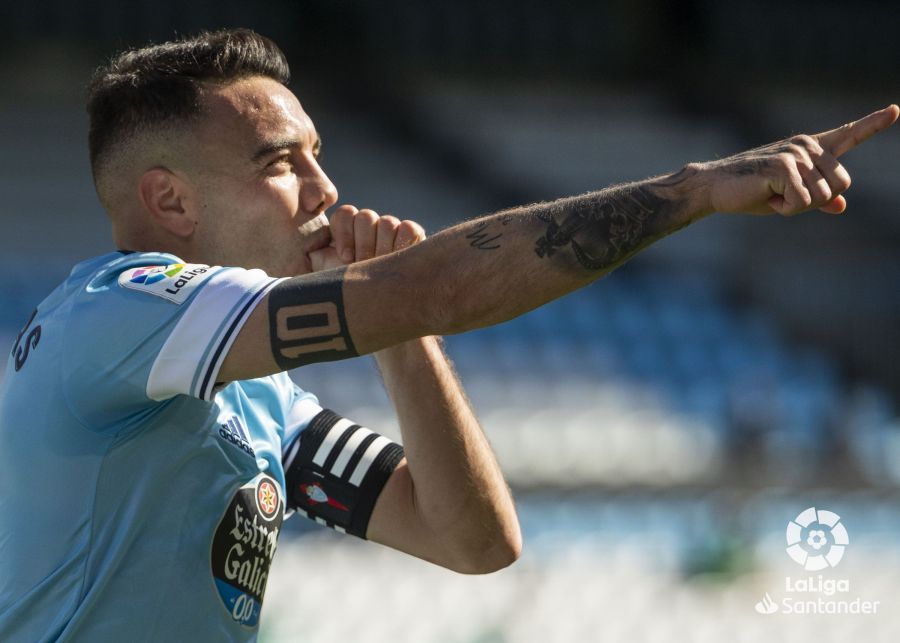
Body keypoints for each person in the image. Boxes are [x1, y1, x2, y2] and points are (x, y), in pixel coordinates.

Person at [0, 27, 895, 642]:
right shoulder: (118, 309)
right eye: (281, 161)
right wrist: (693, 191)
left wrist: (403, 333)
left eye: (317, 154)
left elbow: (473, 540)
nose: (323, 187)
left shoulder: (262, 398)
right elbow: (441, 286)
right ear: (170, 200)